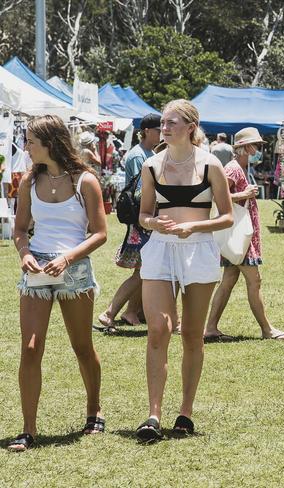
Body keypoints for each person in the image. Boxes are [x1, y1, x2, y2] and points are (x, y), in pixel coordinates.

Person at [135, 99, 233, 441]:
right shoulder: (151, 165)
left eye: (172, 122)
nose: (165, 127)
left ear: (191, 127)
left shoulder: (210, 165)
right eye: (163, 122)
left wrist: (195, 228)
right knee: (158, 330)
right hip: (160, 251)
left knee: (192, 334)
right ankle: (153, 415)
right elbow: (143, 215)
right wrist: (154, 223)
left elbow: (227, 215)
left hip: (198, 250)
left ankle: (185, 413)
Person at [9, 115, 107, 451]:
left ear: (50, 143)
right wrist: (24, 254)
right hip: (36, 268)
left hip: (74, 270)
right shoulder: (27, 181)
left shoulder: (85, 181)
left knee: (81, 346)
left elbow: (100, 233)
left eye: (31, 142)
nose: (26, 147)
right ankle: (28, 429)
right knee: (30, 347)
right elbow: (20, 230)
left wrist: (67, 257)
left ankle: (94, 410)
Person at [203, 127, 284, 343]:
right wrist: (244, 194)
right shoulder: (234, 169)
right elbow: (217, 195)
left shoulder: (240, 167)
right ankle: (267, 329)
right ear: (245, 147)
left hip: (239, 236)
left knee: (229, 280)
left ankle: (211, 328)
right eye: (256, 145)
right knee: (254, 280)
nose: (259, 149)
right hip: (240, 237)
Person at [97, 114, 161, 332]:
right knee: (142, 271)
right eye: (158, 129)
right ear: (147, 131)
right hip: (141, 220)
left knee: (145, 269)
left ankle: (132, 311)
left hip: (147, 219)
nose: (162, 133)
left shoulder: (150, 153)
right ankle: (110, 312)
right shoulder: (137, 156)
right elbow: (140, 191)